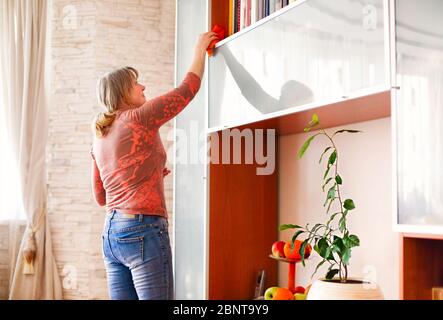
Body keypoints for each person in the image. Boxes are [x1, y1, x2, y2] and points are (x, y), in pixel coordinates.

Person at [90, 31, 218, 300]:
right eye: (136, 83)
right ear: (123, 92)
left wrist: (149, 172)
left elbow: (102, 197)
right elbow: (187, 90)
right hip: (142, 230)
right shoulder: (139, 117)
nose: (143, 87)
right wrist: (198, 49)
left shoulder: (100, 135)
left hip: (112, 234)